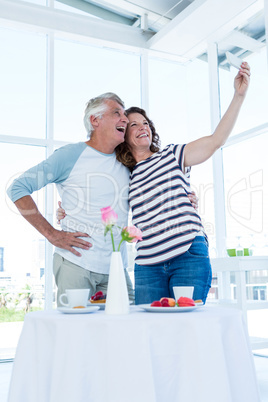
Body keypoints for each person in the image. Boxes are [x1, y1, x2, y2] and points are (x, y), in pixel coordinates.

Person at [114, 61, 251, 304]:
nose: (142, 127)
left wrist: (238, 96)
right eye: (133, 124)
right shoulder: (125, 174)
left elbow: (216, 140)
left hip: (187, 254)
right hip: (147, 265)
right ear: (123, 136)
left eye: (145, 122)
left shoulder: (172, 154)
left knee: (188, 332)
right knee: (150, 334)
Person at [7, 93, 134, 306]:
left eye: (125, 114)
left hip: (116, 268)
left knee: (126, 332)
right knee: (74, 335)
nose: (125, 119)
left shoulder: (127, 160)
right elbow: (18, 188)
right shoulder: (70, 155)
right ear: (95, 120)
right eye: (116, 113)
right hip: (76, 263)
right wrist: (52, 234)